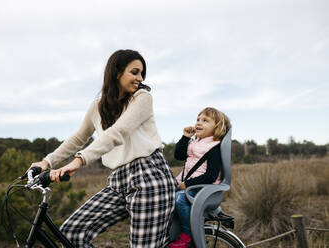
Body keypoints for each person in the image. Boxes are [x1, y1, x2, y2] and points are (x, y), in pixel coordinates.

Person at [28, 49, 177, 248]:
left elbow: (118, 132)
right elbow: (78, 138)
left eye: (142, 74)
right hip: (118, 180)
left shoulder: (142, 98)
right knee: (73, 231)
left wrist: (78, 161)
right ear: (117, 72)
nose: (140, 78)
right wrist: (47, 161)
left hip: (150, 176)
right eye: (134, 72)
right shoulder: (97, 107)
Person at [168, 107, 231, 248]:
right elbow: (178, 155)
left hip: (204, 187)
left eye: (205, 120)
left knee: (180, 198)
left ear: (217, 127)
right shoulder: (194, 143)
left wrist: (188, 184)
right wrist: (185, 137)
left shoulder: (214, 147)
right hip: (189, 183)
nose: (199, 123)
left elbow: (210, 176)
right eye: (198, 119)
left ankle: (187, 234)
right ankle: (169, 231)